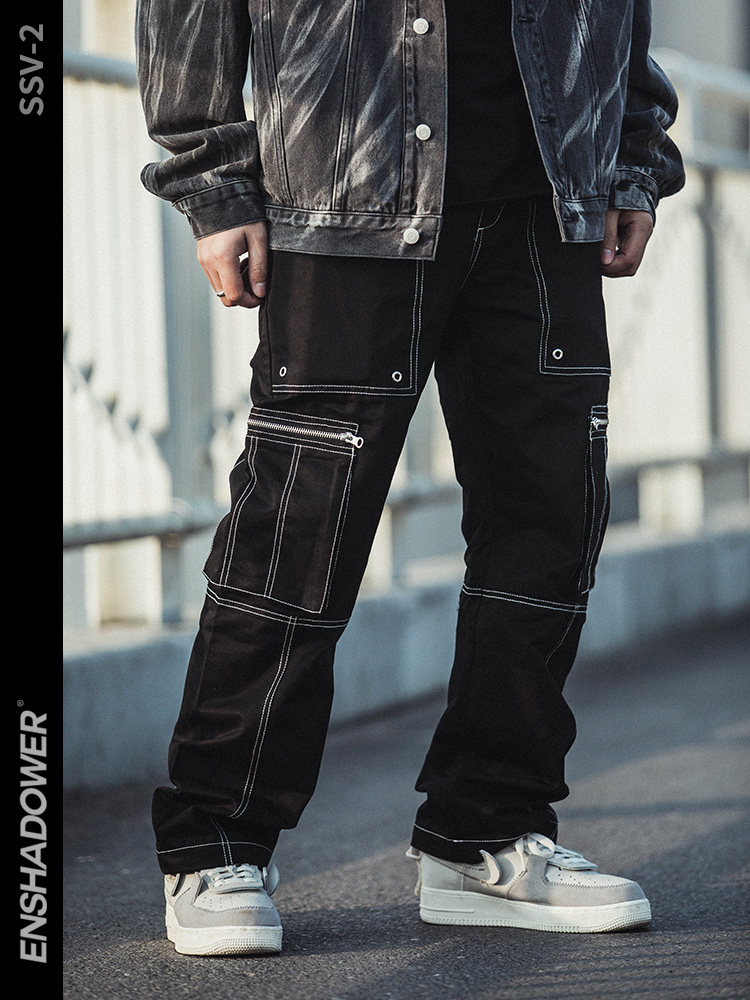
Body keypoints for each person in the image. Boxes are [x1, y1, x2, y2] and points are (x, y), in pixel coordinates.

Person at [136, 0, 684, 956]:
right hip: (345, 194)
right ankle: (215, 840)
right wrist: (213, 182)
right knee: (299, 529)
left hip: (550, 202)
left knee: (548, 529)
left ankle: (484, 834)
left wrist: (633, 156)